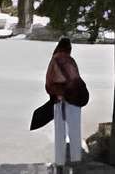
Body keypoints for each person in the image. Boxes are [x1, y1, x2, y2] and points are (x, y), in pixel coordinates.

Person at [40, 37, 89, 166]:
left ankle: (60, 161)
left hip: (57, 99)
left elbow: (49, 82)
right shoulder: (67, 60)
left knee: (59, 132)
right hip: (71, 99)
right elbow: (74, 79)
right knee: (74, 130)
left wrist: (56, 93)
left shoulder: (54, 59)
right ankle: (75, 160)